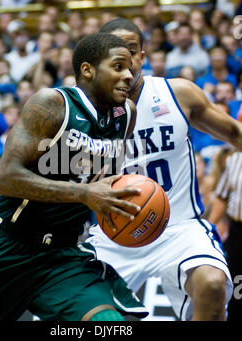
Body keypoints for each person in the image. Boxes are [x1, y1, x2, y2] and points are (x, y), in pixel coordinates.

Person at [0, 33, 148, 321]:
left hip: (64, 254)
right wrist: (84, 195)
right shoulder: (52, 105)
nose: (129, 75)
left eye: (130, 67)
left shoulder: (126, 115)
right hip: (9, 248)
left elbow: (102, 181)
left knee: (110, 325)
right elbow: (7, 177)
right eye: (118, 67)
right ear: (88, 70)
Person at [87, 18, 242, 321]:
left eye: (130, 50)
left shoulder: (178, 94)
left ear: (142, 56)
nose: (124, 60)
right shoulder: (85, 112)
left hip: (180, 227)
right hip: (114, 235)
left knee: (211, 285)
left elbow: (235, 135)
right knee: (77, 313)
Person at [208, 151, 242, 321]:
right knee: (236, 287)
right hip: (237, 232)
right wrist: (208, 227)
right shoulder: (234, 159)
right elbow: (222, 198)